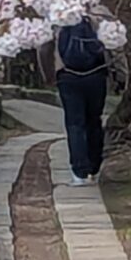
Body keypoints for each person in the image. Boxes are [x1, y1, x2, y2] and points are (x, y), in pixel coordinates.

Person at [53, 14, 110, 183]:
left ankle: (79, 172)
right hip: (97, 74)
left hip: (68, 76)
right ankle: (94, 166)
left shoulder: (57, 14)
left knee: (75, 123)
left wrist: (51, 74)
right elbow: (115, 42)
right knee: (94, 120)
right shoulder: (99, 13)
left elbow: (44, 48)